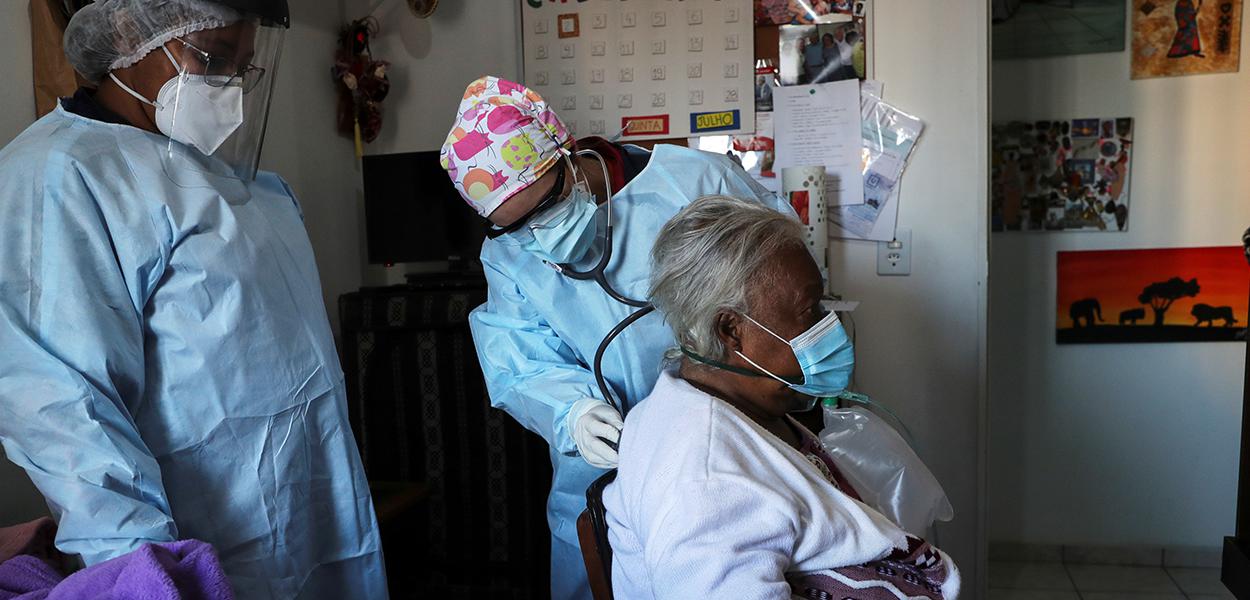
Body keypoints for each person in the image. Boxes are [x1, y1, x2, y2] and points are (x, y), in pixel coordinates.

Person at [0, 1, 387, 598]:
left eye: (243, 66)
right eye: (213, 58)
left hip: (315, 515)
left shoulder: (232, 177)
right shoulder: (59, 175)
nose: (226, 85)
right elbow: (65, 413)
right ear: (130, 31)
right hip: (202, 550)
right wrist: (144, 573)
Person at [439, 76, 793, 600]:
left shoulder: (695, 183)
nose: (540, 235)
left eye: (546, 206)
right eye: (514, 226)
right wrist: (571, 413)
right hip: (607, 473)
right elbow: (520, 358)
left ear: (566, 151)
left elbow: (784, 288)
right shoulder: (509, 255)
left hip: (731, 448)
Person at [604, 196, 960, 599]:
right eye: (810, 311)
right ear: (730, 329)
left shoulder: (742, 405)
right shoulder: (706, 487)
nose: (830, 326)